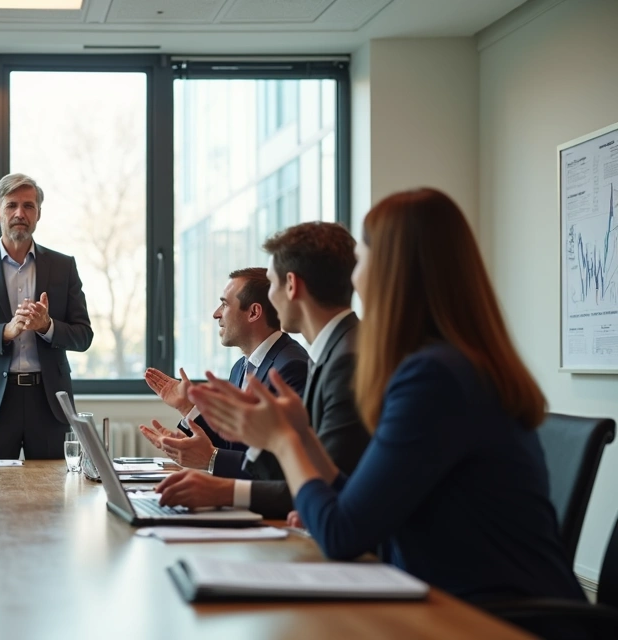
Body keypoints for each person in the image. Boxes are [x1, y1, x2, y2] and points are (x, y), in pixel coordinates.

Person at [174, 188, 585, 606]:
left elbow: (341, 533)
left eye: (363, 260)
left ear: (392, 271)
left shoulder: (433, 377)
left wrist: (284, 440)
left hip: (497, 619)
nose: (354, 278)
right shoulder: (450, 364)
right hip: (458, 600)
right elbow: (359, 501)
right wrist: (301, 438)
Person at [155, 222, 371, 519]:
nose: (270, 299)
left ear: (292, 285)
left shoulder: (339, 359)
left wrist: (222, 483)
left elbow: (326, 483)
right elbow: (314, 471)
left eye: (274, 283)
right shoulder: (337, 350)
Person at [0, 173, 93, 459]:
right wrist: (5, 332)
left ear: (38, 213)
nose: (20, 213)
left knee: (53, 497)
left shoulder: (63, 267)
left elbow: (83, 335)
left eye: (28, 206)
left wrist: (47, 326)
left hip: (49, 402)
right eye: (11, 205)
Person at [139, 267, 309, 471]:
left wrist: (211, 458)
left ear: (254, 312)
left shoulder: (291, 367)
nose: (216, 314)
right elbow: (233, 445)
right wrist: (188, 407)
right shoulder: (241, 367)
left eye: (224, 304)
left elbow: (277, 465)